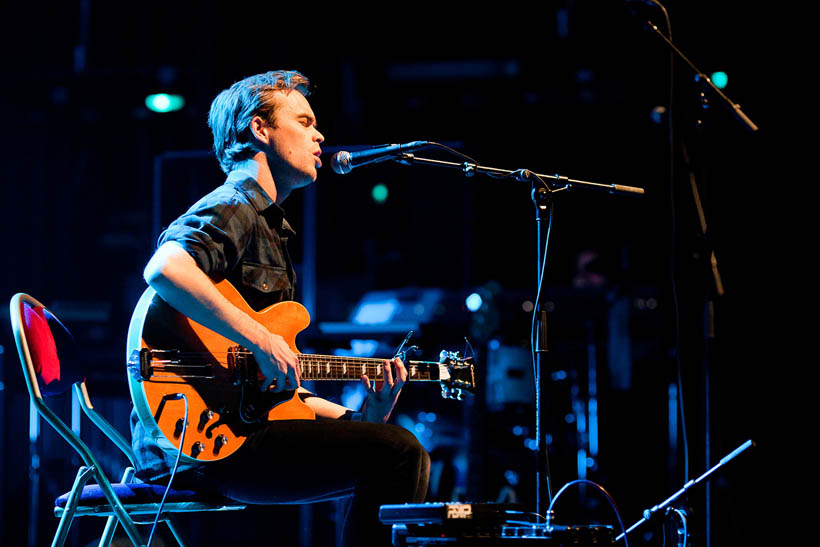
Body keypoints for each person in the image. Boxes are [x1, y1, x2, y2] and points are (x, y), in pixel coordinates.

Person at [130, 70, 430, 546]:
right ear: (260, 129)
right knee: (399, 454)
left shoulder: (270, 227)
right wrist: (260, 336)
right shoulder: (236, 205)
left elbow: (277, 385)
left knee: (389, 446)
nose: (321, 135)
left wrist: (370, 412)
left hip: (236, 432)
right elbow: (165, 269)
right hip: (202, 448)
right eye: (305, 121)